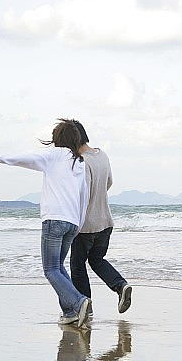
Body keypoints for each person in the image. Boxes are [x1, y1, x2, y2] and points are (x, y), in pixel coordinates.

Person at [0, 118, 91, 327]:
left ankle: (79, 302)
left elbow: (26, 158)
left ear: (58, 139)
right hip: (72, 223)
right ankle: (70, 312)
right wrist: (78, 224)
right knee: (59, 268)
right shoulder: (79, 162)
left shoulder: (54, 156)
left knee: (51, 269)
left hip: (54, 220)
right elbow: (84, 196)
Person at [69, 121, 132, 314]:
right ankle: (120, 286)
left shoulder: (81, 161)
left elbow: (83, 193)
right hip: (106, 221)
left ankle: (84, 308)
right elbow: (109, 182)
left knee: (78, 266)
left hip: (86, 225)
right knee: (97, 260)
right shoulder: (102, 155)